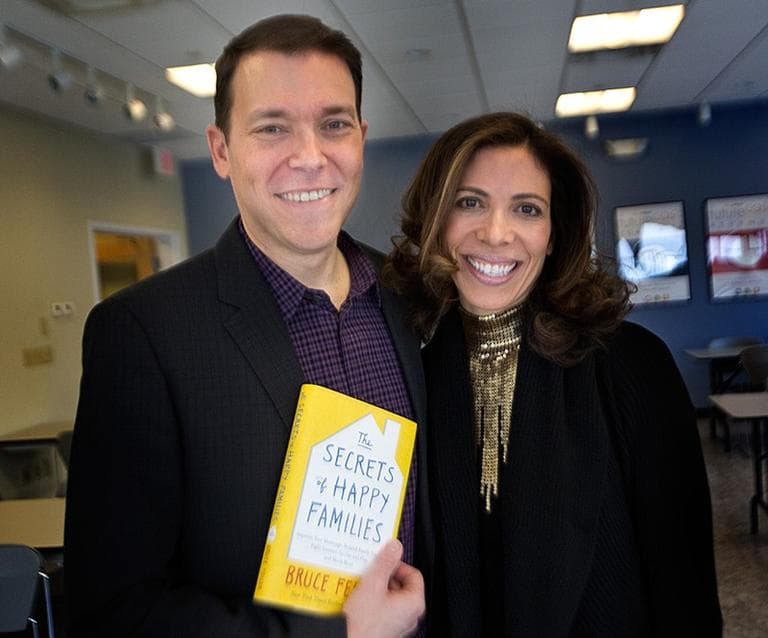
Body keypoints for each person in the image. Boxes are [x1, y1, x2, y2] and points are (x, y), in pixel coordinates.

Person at [65, 14, 429, 638]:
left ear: (361, 138)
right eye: (272, 128)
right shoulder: (144, 334)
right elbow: (114, 611)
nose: (310, 157)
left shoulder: (411, 296)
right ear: (221, 151)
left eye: (334, 124)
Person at [384, 112, 722, 636]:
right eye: (470, 202)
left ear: (553, 233)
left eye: (527, 209)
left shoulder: (631, 365)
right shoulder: (411, 376)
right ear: (435, 219)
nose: (496, 233)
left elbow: (685, 586)